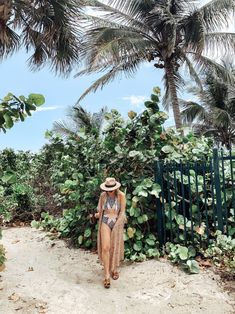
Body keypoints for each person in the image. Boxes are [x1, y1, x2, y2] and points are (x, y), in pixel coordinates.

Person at [93, 177, 126, 288]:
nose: (109, 191)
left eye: (111, 189)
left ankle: (114, 268)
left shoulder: (121, 195)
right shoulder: (103, 196)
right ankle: (106, 274)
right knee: (106, 247)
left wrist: (118, 224)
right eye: (108, 189)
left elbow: (122, 212)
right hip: (105, 221)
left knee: (114, 247)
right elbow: (100, 210)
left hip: (117, 223)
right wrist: (96, 215)